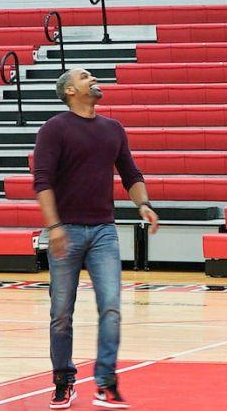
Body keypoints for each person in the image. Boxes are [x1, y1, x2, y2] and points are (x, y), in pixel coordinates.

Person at [34, 67, 159, 409]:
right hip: (67, 231)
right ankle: (63, 380)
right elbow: (42, 181)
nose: (93, 79)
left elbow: (130, 172)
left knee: (112, 308)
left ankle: (106, 383)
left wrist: (144, 205)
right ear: (70, 90)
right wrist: (54, 226)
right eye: (85, 76)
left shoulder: (113, 129)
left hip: (105, 230)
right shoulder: (54, 128)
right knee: (61, 311)